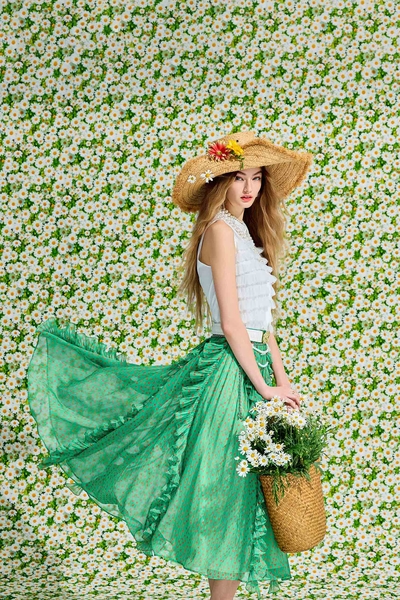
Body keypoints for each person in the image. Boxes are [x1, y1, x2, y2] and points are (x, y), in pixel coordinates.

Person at [26, 130, 313, 600]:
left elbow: (264, 326)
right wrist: (265, 389)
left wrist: (283, 384)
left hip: (255, 368)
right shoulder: (220, 231)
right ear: (219, 183)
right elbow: (233, 325)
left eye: (256, 178)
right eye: (238, 177)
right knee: (226, 491)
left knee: (245, 496)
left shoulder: (246, 233)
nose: (248, 188)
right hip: (230, 373)